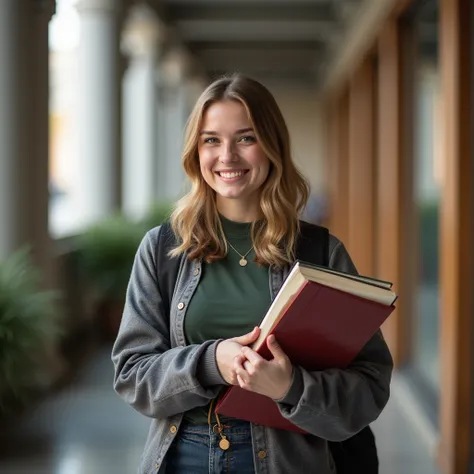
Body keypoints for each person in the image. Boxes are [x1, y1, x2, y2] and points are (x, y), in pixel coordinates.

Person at [111, 73, 393, 474]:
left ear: (272, 146)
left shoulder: (319, 253)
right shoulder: (163, 249)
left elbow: (369, 385)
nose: (227, 156)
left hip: (289, 460)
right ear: (196, 151)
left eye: (246, 138)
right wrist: (211, 362)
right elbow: (131, 375)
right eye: (211, 139)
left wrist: (291, 387)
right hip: (182, 457)